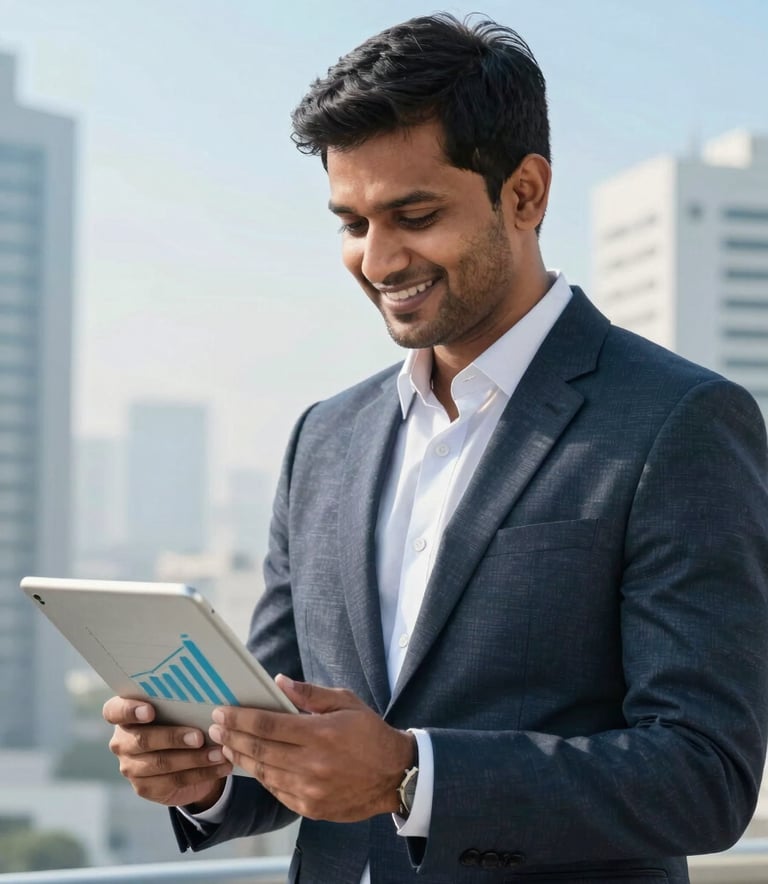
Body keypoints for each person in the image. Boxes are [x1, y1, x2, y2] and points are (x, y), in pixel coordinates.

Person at [103, 13, 768, 884]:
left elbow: (703, 776)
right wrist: (207, 771)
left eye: (413, 215)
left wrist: (412, 773)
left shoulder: (679, 421)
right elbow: (295, 727)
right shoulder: (324, 440)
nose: (377, 260)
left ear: (524, 194)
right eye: (350, 223)